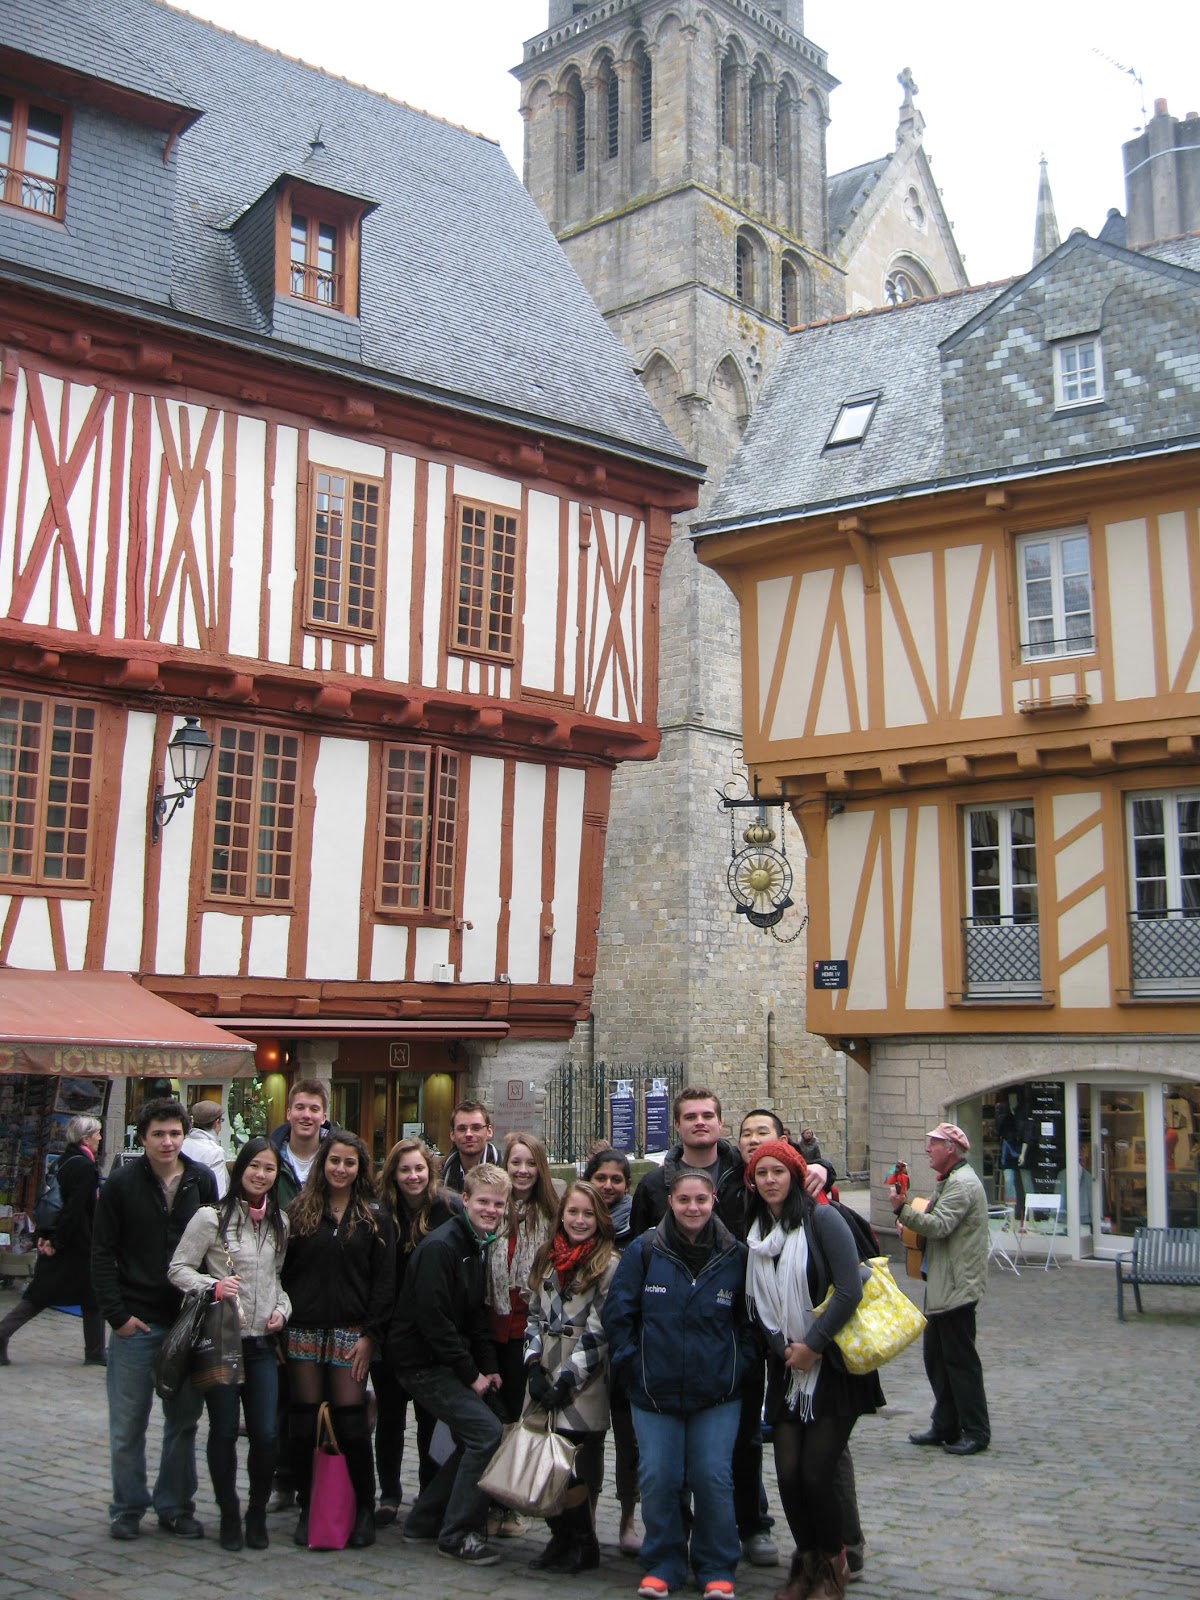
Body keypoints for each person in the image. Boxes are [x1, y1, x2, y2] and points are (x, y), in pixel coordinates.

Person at [603, 1167, 754, 1600]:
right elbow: (620, 1315)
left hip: (716, 1391)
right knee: (659, 1477)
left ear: (713, 1202)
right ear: (671, 1201)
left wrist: (736, 1366)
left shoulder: (734, 1255)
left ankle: (715, 1564)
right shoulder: (644, 1251)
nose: (693, 1208)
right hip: (655, 1388)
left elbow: (748, 1322)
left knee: (712, 1477)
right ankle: (664, 1561)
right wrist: (634, 1364)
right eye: (684, 1200)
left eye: (701, 1201)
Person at [744, 1139, 884, 1600]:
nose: (769, 1180)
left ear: (795, 1175)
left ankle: (831, 1565)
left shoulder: (823, 1219)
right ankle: (804, 1563)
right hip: (787, 1369)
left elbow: (849, 1290)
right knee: (787, 1474)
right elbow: (758, 1304)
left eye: (777, 1172)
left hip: (833, 1367)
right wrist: (783, 1348)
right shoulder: (757, 1231)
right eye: (761, 1173)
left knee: (816, 1474)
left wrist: (812, 1345)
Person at [91, 1097, 218, 1541]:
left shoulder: (201, 1181)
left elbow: (215, 1250)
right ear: (142, 1137)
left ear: (185, 1136)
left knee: (183, 1420)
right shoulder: (122, 1184)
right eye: (158, 1134)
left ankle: (175, 1505)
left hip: (187, 1319)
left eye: (175, 1133)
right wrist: (117, 1316)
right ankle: (126, 1507)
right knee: (128, 1424)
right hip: (136, 1320)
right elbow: (102, 1252)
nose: (167, 1142)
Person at [168, 1138, 290, 1551]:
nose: (261, 1175)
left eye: (269, 1169)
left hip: (261, 1344)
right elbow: (178, 1269)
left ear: (277, 1175)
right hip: (222, 1338)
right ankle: (228, 1514)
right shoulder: (211, 1217)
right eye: (254, 1166)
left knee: (267, 1433)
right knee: (222, 1430)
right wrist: (213, 1285)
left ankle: (256, 1512)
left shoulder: (280, 1222)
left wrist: (282, 1312)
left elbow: (279, 1281)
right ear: (240, 1170)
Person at [389, 1162, 510, 1567]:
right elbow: (434, 1323)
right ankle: (457, 1533)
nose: (491, 1210)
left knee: (482, 1434)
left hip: (442, 1358)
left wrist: (488, 1366)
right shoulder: (442, 1247)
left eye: (498, 1204)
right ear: (465, 1202)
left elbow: (476, 1315)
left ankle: (424, 1519)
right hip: (420, 1362)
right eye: (483, 1203)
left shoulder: (478, 1243)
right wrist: (471, 1375)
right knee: (486, 1433)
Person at [282, 1131, 396, 1549]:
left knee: (350, 1421)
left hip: (352, 1330)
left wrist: (371, 1336)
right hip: (305, 1329)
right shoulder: (300, 1211)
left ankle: (363, 1506)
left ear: (360, 1168)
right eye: (334, 1161)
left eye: (349, 1162)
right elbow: (286, 1271)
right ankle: (309, 1504)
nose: (341, 1169)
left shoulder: (375, 1216)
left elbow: (384, 1282)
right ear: (322, 1164)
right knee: (304, 1419)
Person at [523, 1179, 618, 1574]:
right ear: (561, 1215)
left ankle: (583, 1540)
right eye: (573, 1212)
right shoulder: (547, 1257)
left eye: (588, 1213)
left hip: (583, 1379)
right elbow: (533, 1316)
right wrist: (531, 1367)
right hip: (545, 1366)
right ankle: (560, 1535)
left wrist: (569, 1379)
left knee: (568, 1463)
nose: (580, 1220)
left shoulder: (609, 1263)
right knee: (540, 1458)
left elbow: (601, 1330)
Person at [372, 1136, 462, 1523]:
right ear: (393, 1173)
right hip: (392, 1332)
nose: (412, 1176)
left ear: (431, 1170)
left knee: (430, 1419)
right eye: (405, 1169)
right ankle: (389, 1493)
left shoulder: (449, 1208)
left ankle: (430, 1492)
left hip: (430, 1334)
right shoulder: (380, 1213)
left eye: (419, 1169)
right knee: (390, 1417)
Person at [889, 1122, 991, 1456]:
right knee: (938, 1358)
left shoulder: (961, 1185)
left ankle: (976, 1431)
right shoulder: (952, 1181)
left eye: (933, 1144)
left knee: (960, 1363)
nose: (927, 1149)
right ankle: (946, 1424)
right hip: (946, 1286)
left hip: (956, 1287)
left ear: (951, 1149)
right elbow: (932, 1218)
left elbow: (940, 1225)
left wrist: (902, 1210)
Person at [0, 1116, 105, 1366]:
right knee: (40, 1297)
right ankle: (2, 1333)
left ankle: (96, 1351)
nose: (100, 1139)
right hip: (73, 1244)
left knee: (92, 1296)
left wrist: (45, 1235)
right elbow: (73, 1209)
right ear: (86, 1138)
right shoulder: (83, 1167)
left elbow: (48, 1202)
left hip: (66, 1240)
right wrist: (55, 1241)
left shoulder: (63, 1161)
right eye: (97, 1134)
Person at [583, 1147, 640, 1555]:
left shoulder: (637, 1225)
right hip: (582, 1347)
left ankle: (627, 1519)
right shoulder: (575, 1221)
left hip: (622, 1345)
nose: (608, 1186)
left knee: (628, 1439)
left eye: (616, 1179)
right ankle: (583, 1517)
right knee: (587, 1441)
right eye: (601, 1178)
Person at [270, 1080, 332, 1207]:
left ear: (323, 1118)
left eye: (314, 1109)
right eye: (300, 1107)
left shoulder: (335, 1161)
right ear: (289, 1113)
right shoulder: (270, 1157)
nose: (306, 1115)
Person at [441, 1100, 501, 1192]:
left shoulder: (505, 1170)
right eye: (462, 1129)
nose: (468, 1134)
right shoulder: (439, 1176)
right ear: (452, 1134)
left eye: (476, 1128)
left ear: (489, 1131)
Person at [181, 1101, 229, 1199]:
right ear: (216, 1122)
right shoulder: (215, 1151)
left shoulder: (181, 1144)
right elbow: (219, 1193)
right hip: (204, 1210)